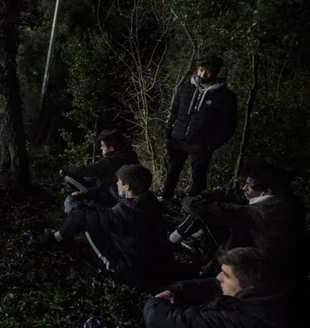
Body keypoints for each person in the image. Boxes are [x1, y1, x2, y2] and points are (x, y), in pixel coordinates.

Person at [32, 165, 171, 285]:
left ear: (127, 187)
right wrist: (85, 194)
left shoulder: (126, 213)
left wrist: (70, 200)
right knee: (95, 209)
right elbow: (110, 190)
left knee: (87, 222)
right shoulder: (147, 200)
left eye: (119, 182)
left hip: (131, 271)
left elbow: (85, 216)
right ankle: (58, 237)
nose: (117, 184)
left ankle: (56, 240)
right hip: (156, 263)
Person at [169, 163, 305, 277]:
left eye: (249, 185)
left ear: (267, 191)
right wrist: (207, 195)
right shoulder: (282, 199)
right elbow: (237, 194)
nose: (244, 187)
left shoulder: (263, 212)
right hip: (275, 258)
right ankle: (179, 243)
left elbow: (200, 207)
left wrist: (192, 199)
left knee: (209, 215)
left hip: (266, 268)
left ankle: (203, 270)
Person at [143, 247, 295, 327]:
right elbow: (214, 284)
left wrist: (155, 302)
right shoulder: (273, 293)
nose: (218, 277)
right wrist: (176, 290)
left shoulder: (240, 321)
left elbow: (157, 318)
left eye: (226, 275)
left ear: (250, 288)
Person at [162, 55, 237, 201]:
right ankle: (164, 200)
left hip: (200, 144)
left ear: (216, 71)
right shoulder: (184, 88)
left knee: (199, 177)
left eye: (207, 71)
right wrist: (168, 135)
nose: (203, 74)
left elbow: (229, 124)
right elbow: (174, 113)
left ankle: (194, 208)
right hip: (177, 139)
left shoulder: (225, 96)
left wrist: (211, 145)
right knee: (172, 172)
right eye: (201, 70)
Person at [60, 129, 139, 207]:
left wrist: (65, 169)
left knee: (69, 177)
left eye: (103, 146)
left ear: (111, 148)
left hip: (111, 198)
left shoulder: (112, 161)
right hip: (119, 193)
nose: (101, 148)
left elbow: (86, 170)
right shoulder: (129, 154)